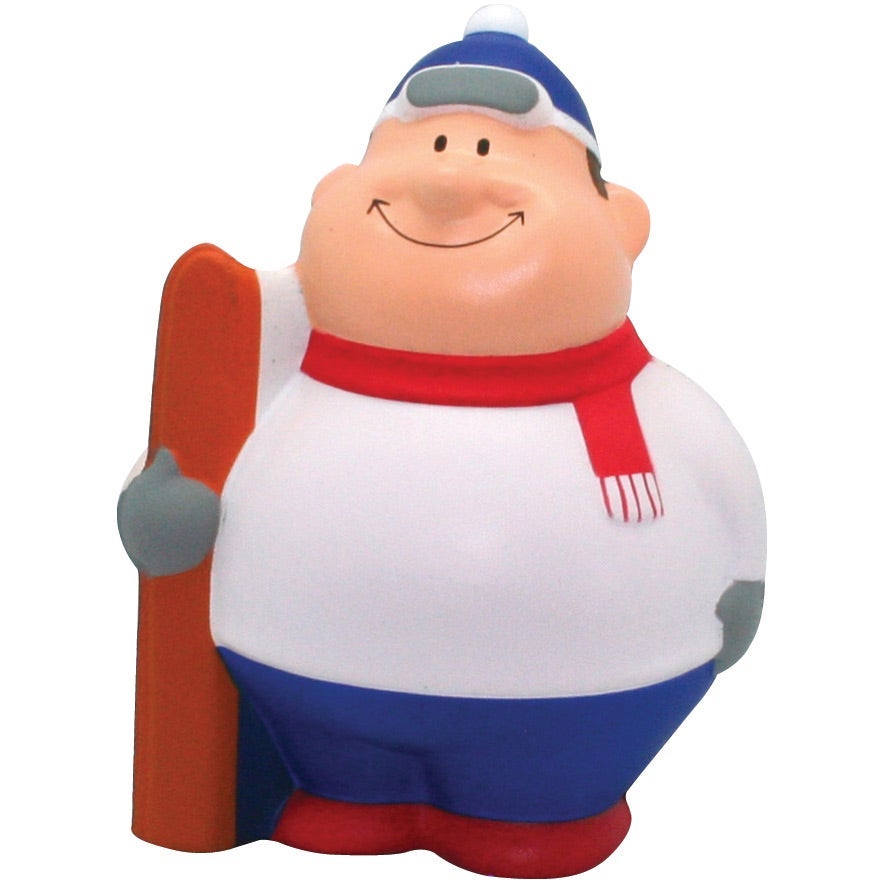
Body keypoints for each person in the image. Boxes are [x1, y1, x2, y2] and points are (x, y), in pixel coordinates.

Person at [119, 6, 765, 876]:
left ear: (622, 225)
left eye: (489, 152)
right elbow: (194, 457)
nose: (450, 184)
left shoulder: (654, 406)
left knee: (542, 787)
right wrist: (163, 511)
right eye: (429, 147)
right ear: (331, 191)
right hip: (308, 701)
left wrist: (744, 577)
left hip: (589, 710)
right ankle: (350, 795)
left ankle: (541, 812)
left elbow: (722, 472)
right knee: (346, 778)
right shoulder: (277, 365)